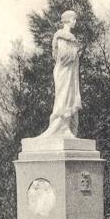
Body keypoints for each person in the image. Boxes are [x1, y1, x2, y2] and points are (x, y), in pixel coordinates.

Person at [35, 10, 83, 138]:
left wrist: (76, 50)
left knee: (69, 97)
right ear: (67, 20)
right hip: (64, 72)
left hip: (70, 74)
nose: (75, 22)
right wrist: (75, 51)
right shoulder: (62, 36)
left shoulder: (70, 38)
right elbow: (63, 57)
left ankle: (67, 127)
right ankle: (61, 126)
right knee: (64, 97)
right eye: (74, 19)